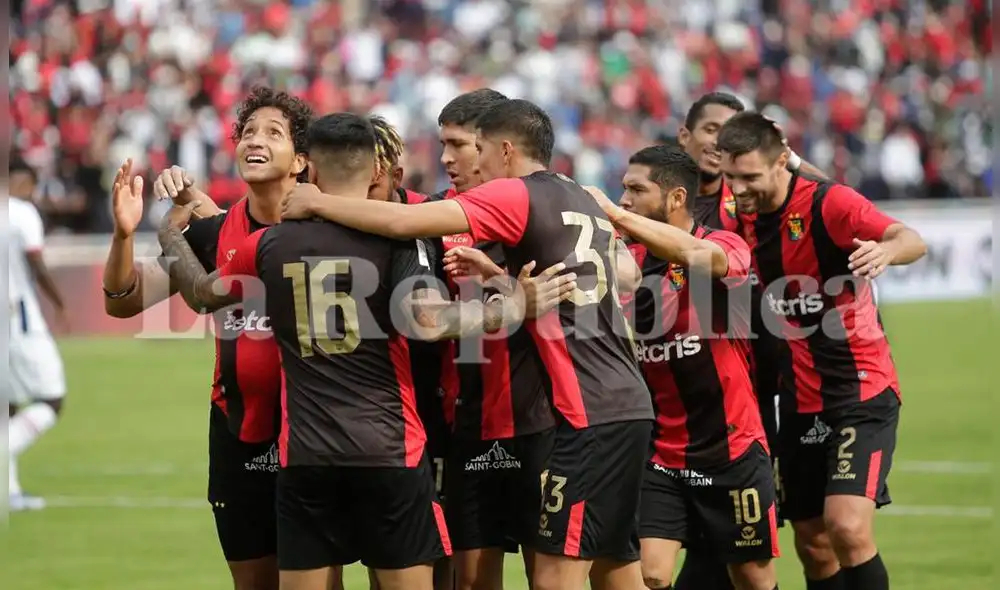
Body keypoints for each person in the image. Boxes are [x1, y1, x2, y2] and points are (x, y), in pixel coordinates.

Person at [280, 98, 654, 590]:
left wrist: (317, 202)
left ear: (504, 150)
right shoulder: (576, 193)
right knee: (615, 568)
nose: (467, 161)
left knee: (554, 580)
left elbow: (402, 222)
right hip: (619, 403)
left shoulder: (514, 194)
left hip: (585, 412)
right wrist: (501, 277)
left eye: (474, 147)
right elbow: (600, 278)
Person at [158, 113, 454, 590]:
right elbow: (430, 321)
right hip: (389, 451)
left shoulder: (271, 243)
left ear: (310, 169)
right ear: (375, 172)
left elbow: (200, 294)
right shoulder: (400, 237)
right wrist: (513, 305)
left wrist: (170, 235)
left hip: (306, 458)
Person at [103, 86, 315, 590]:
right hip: (237, 439)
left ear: (300, 161)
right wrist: (124, 234)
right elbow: (123, 301)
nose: (254, 140)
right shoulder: (212, 233)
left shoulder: (324, 230)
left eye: (273, 133)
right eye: (248, 132)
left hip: (314, 438)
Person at [717, 112, 927, 590]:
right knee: (812, 543)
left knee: (847, 527)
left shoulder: (828, 203)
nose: (738, 188)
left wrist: (886, 251)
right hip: (798, 398)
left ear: (780, 164)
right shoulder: (736, 216)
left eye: (749, 177)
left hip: (860, 390)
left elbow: (910, 240)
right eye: (731, 177)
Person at [585, 145, 780, 590]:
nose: (626, 198)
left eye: (637, 190)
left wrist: (615, 214)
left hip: (731, 446)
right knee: (651, 573)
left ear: (676, 198)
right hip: (662, 452)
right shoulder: (628, 258)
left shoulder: (723, 243)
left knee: (753, 577)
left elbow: (698, 255)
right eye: (623, 190)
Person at [6, 157, 69, 511]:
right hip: (18, 322)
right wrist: (59, 303)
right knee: (52, 400)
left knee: (8, 407)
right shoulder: (21, 213)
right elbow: (36, 262)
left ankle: (9, 492)